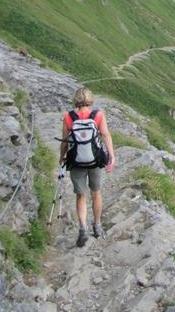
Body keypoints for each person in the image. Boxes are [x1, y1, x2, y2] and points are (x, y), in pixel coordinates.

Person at [59, 87, 115, 247]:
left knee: (81, 195)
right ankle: (97, 225)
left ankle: (82, 227)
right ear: (91, 100)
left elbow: (64, 141)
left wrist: (62, 157)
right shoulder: (97, 116)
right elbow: (105, 135)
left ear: (76, 100)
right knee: (96, 193)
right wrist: (111, 156)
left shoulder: (68, 117)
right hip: (94, 160)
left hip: (76, 161)